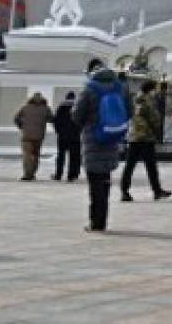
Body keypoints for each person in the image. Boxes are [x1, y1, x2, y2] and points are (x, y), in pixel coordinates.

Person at [72, 62, 129, 232]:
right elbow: (130, 112)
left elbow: (77, 115)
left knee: (94, 182)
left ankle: (96, 222)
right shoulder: (120, 88)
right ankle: (102, 219)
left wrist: (88, 123)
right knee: (105, 180)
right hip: (112, 137)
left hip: (93, 138)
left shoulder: (89, 89)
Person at [121, 79, 172, 202]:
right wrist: (157, 124)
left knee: (130, 165)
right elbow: (154, 118)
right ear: (151, 89)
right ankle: (157, 190)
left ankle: (125, 191)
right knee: (150, 165)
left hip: (134, 136)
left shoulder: (136, 99)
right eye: (155, 89)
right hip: (145, 137)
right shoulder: (147, 101)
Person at [13, 91, 54, 181]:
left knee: (27, 155)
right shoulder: (46, 108)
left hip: (26, 135)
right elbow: (51, 119)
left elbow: (16, 118)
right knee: (35, 155)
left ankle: (27, 174)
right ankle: (32, 173)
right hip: (39, 136)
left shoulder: (25, 108)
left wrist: (22, 126)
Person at [52, 91, 82, 182]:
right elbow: (82, 121)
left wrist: (59, 132)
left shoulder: (61, 108)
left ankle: (58, 174)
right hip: (75, 137)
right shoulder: (78, 108)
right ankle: (72, 175)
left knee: (61, 156)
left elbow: (56, 121)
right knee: (74, 157)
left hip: (62, 136)